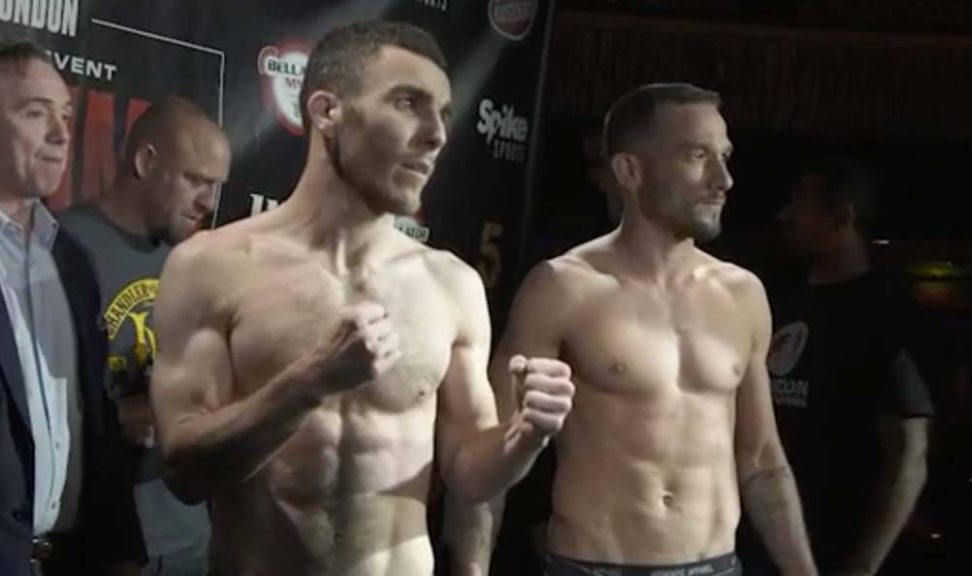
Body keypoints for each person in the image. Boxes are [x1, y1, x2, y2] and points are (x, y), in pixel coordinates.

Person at [148, 20, 573, 576]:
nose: (436, 135)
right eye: (408, 103)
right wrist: (311, 381)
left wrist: (523, 437)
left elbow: (468, 471)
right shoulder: (212, 266)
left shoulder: (452, 284)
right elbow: (185, 471)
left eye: (443, 114)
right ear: (327, 112)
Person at [489, 82, 818, 576]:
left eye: (725, 156)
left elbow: (763, 461)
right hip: (593, 565)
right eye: (697, 156)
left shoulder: (743, 294)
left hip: (715, 566)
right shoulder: (562, 288)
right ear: (629, 170)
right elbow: (489, 453)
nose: (724, 179)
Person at [58, 96, 231, 576]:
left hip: (191, 535)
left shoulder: (191, 259)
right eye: (196, 180)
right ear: (145, 161)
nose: (208, 203)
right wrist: (117, 417)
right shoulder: (61, 247)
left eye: (216, 186)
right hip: (101, 541)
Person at [0, 40, 145, 576]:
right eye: (36, 113)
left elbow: (93, 416)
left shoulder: (72, 260)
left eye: (65, 114)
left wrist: (120, 551)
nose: (62, 134)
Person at [761, 157, 932, 575]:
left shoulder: (886, 315)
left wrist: (862, 567)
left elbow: (908, 455)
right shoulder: (782, 305)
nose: (785, 215)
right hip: (769, 545)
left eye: (800, 202)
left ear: (842, 216)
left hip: (838, 548)